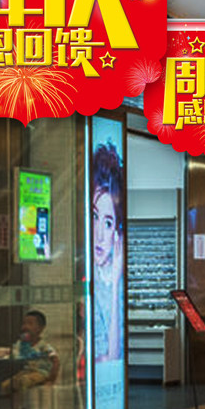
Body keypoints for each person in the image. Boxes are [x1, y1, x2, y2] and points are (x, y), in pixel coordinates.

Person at [92, 141, 124, 363]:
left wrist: (114, 283)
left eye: (108, 222)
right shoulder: (90, 278)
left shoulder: (116, 279)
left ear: (116, 232)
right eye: (95, 217)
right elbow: (105, 358)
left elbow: (112, 356)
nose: (99, 235)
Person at [2, 310, 59, 393]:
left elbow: (56, 361)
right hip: (26, 372)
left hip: (40, 373)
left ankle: (24, 399)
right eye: (24, 323)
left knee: (23, 381)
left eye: (30, 324)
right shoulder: (22, 343)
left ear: (40, 328)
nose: (25, 327)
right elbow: (13, 352)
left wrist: (51, 379)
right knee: (6, 385)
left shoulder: (44, 346)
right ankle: (14, 401)